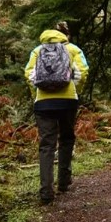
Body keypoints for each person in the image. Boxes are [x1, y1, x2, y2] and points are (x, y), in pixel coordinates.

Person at [24, 24, 88, 204]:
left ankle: (46, 191)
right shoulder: (73, 49)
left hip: (43, 103)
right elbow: (82, 73)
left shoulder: (37, 51)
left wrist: (35, 95)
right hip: (68, 101)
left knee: (46, 145)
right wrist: (75, 91)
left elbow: (29, 75)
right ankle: (64, 181)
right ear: (66, 35)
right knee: (67, 138)